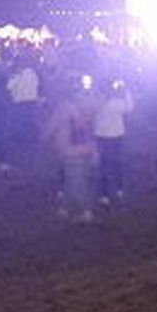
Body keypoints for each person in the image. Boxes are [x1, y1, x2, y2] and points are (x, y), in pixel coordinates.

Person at [45, 79, 99, 222]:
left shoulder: (64, 108)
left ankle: (86, 211)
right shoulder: (87, 104)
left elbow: (51, 127)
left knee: (76, 181)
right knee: (73, 179)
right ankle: (66, 207)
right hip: (86, 147)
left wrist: (43, 137)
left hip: (71, 150)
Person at [94, 78, 135, 206]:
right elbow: (130, 107)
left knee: (103, 165)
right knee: (117, 162)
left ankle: (104, 194)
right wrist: (127, 91)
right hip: (116, 136)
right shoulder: (117, 103)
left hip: (101, 136)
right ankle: (119, 189)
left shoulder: (97, 102)